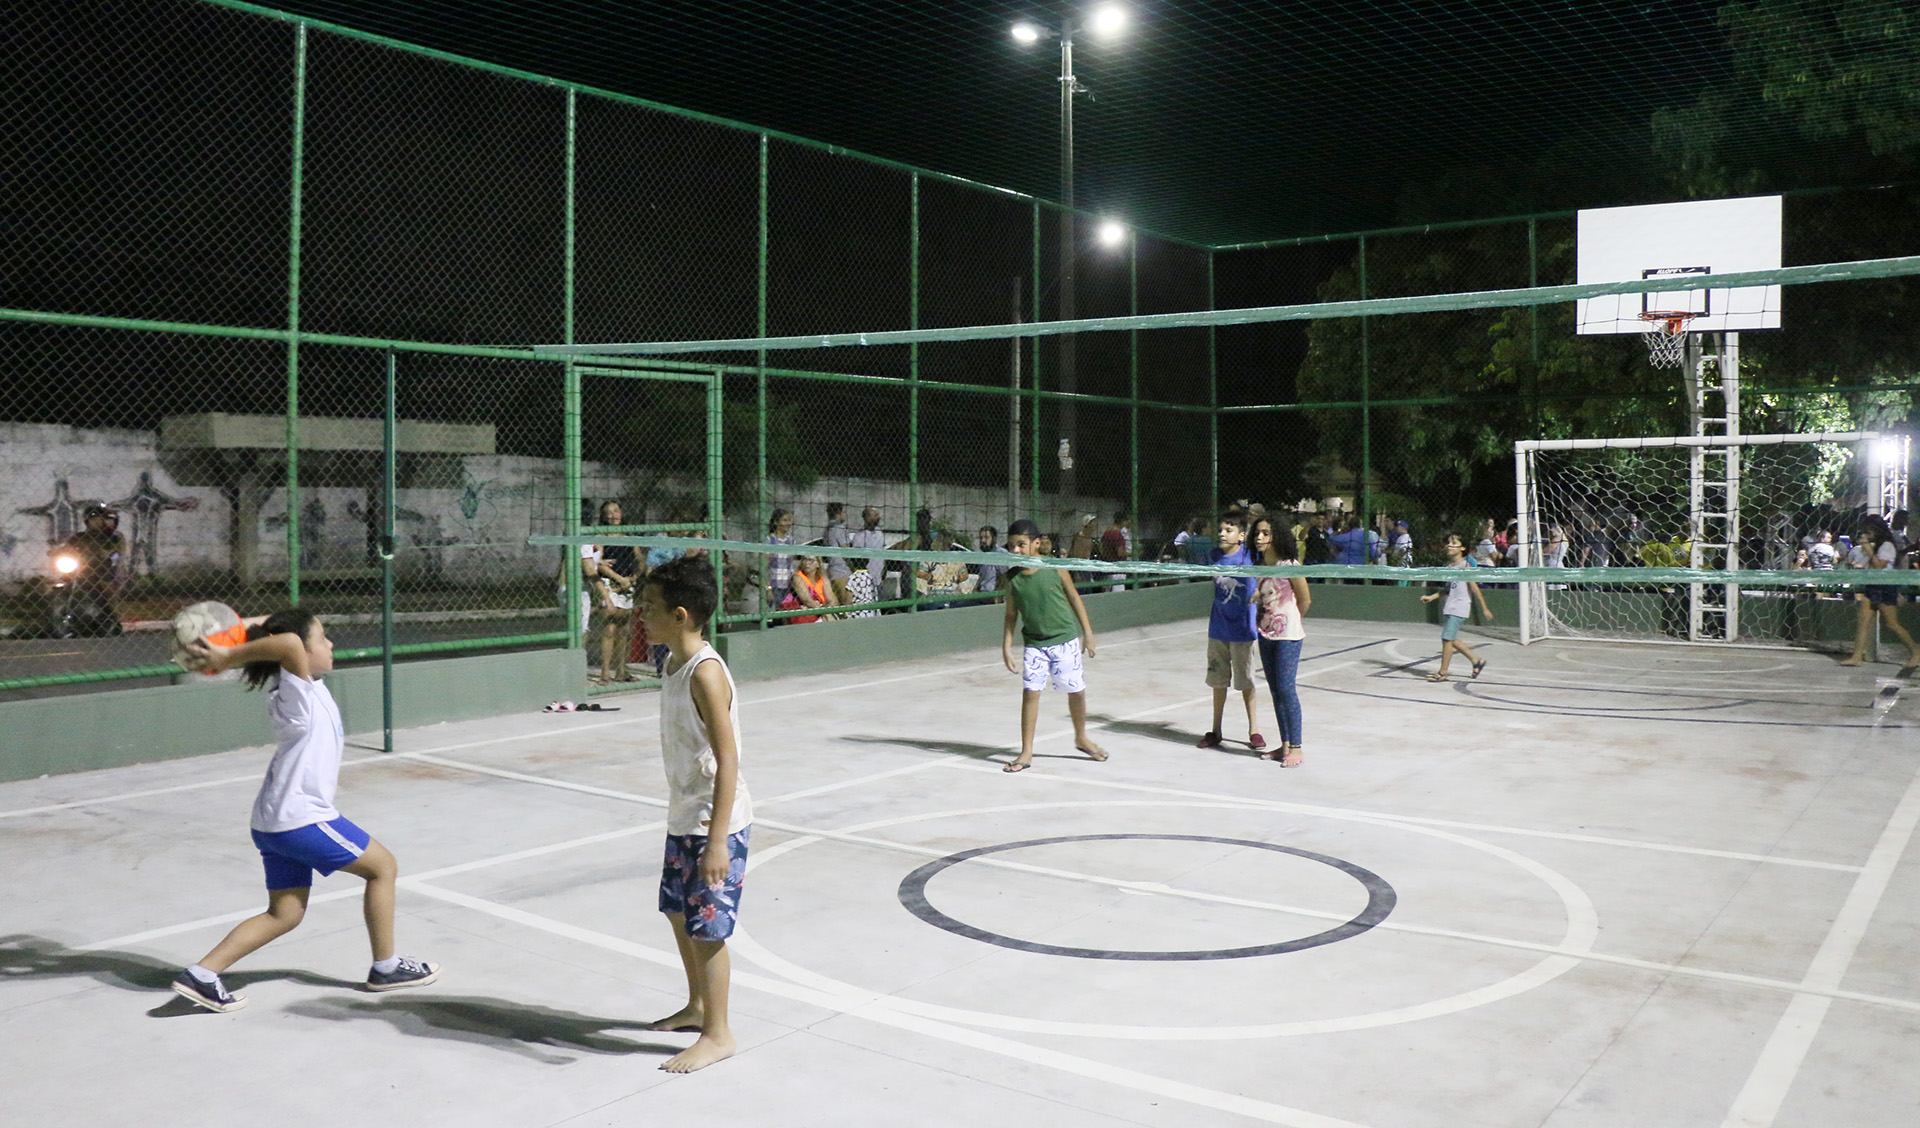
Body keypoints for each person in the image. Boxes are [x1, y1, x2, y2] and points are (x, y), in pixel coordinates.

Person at [172, 609, 439, 1013]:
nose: (330, 644)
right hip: (301, 818)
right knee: (383, 867)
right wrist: (229, 656)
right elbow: (290, 642)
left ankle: (203, 975)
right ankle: (386, 968)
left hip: (272, 821)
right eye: (323, 638)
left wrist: (236, 628)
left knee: (285, 914)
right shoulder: (296, 691)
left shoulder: (301, 687)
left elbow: (284, 634)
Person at [634, 556, 753, 1072]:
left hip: (713, 821)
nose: (641, 614)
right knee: (678, 912)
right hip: (684, 813)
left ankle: (719, 1033)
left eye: (650, 608)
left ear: (680, 615)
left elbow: (729, 759)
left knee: (709, 929)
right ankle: (698, 1004)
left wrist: (719, 840)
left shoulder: (706, 674)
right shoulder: (671, 662)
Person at [1000, 519, 1107, 774]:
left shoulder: (1055, 567)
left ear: (1036, 544)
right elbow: (1011, 615)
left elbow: (1074, 598)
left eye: (1021, 545)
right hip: (1035, 645)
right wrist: (1006, 646)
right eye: (1012, 546)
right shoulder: (1012, 578)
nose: (1016, 550)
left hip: (1065, 640)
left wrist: (1088, 633)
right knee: (1030, 693)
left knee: (1076, 691)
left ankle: (1081, 737)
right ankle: (1026, 751)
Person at [1197, 511, 1265, 752]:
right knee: (1218, 682)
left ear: (1241, 535)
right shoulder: (1214, 556)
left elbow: (1261, 580)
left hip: (1243, 630)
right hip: (1218, 629)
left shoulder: (1250, 556)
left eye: (1229, 530)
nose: (1222, 534)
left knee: (1246, 681)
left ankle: (1254, 730)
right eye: (1221, 529)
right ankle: (1216, 730)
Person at [1251, 517, 1310, 767]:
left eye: (1266, 533)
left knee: (1287, 688)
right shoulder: (1257, 566)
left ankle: (1296, 747)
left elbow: (1305, 599)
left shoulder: (1290, 565)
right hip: (1266, 636)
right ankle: (1284, 745)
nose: (1260, 537)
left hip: (1288, 636)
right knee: (1276, 691)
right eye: (1257, 533)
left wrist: (1290, 621)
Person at [1842, 516, 1919, 671]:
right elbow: (1868, 566)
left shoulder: (1887, 546)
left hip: (1885, 586)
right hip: (1872, 586)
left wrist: (1870, 552)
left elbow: (1879, 566)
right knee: (1863, 621)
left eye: (1868, 531)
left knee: (1892, 624)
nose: (1865, 534)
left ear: (1876, 530)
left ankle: (1916, 652)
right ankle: (1857, 656)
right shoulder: (1876, 546)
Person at [1420, 533, 1493, 681]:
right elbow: (1448, 589)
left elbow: (1474, 588)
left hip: (1460, 607)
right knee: (1452, 639)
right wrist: (1431, 597)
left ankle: (1443, 672)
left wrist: (1484, 608)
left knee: (1446, 638)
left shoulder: (1465, 566)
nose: (1450, 546)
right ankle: (1476, 661)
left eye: (1454, 543)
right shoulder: (1450, 567)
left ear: (1462, 548)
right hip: (1450, 606)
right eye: (1449, 543)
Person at [591, 501, 639, 682]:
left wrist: (634, 577)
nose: (614, 515)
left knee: (625, 628)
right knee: (610, 626)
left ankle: (621, 670)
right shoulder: (601, 535)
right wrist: (619, 579)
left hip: (627, 584)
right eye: (609, 513)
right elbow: (598, 562)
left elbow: (639, 557)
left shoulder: (628, 534)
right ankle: (605, 672)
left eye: (616, 510)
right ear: (604, 517)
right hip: (610, 583)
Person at [848, 506, 889, 607]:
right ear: (866, 518)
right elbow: (856, 560)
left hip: (878, 580)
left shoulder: (879, 533)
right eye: (875, 515)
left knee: (878, 608)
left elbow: (883, 553)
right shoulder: (860, 536)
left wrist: (885, 569)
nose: (878, 517)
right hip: (866, 582)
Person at [783, 554, 838, 624]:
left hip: (824, 610)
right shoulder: (798, 577)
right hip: (809, 611)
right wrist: (824, 613)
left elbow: (832, 600)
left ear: (818, 564)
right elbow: (807, 601)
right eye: (804, 559)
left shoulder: (823, 579)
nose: (807, 563)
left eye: (811, 560)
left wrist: (826, 611)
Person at [765, 508, 796, 615]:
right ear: (776, 522)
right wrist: (768, 589)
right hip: (775, 585)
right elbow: (765, 567)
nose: (788, 523)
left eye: (789, 520)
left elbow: (790, 564)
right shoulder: (770, 541)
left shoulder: (791, 541)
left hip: (788, 586)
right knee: (777, 616)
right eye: (785, 520)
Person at [823, 502, 854, 603]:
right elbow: (845, 550)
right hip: (842, 572)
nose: (846, 515)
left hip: (832, 571)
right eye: (844, 512)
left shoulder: (827, 529)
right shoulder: (839, 528)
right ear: (838, 513)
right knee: (847, 605)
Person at [971, 526, 1008, 595]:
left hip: (992, 594)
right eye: (981, 538)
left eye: (986, 537)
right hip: (982, 593)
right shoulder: (983, 556)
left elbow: (1004, 578)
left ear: (994, 538)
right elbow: (982, 578)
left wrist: (998, 595)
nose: (983, 541)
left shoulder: (1001, 554)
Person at [1098, 512, 1131, 591]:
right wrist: (1134, 554)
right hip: (1117, 570)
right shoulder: (1117, 534)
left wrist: (1107, 556)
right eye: (1126, 520)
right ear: (1122, 521)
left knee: (1108, 593)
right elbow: (1120, 553)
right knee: (1118, 594)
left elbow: (1100, 547)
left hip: (1108, 568)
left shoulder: (1107, 532)